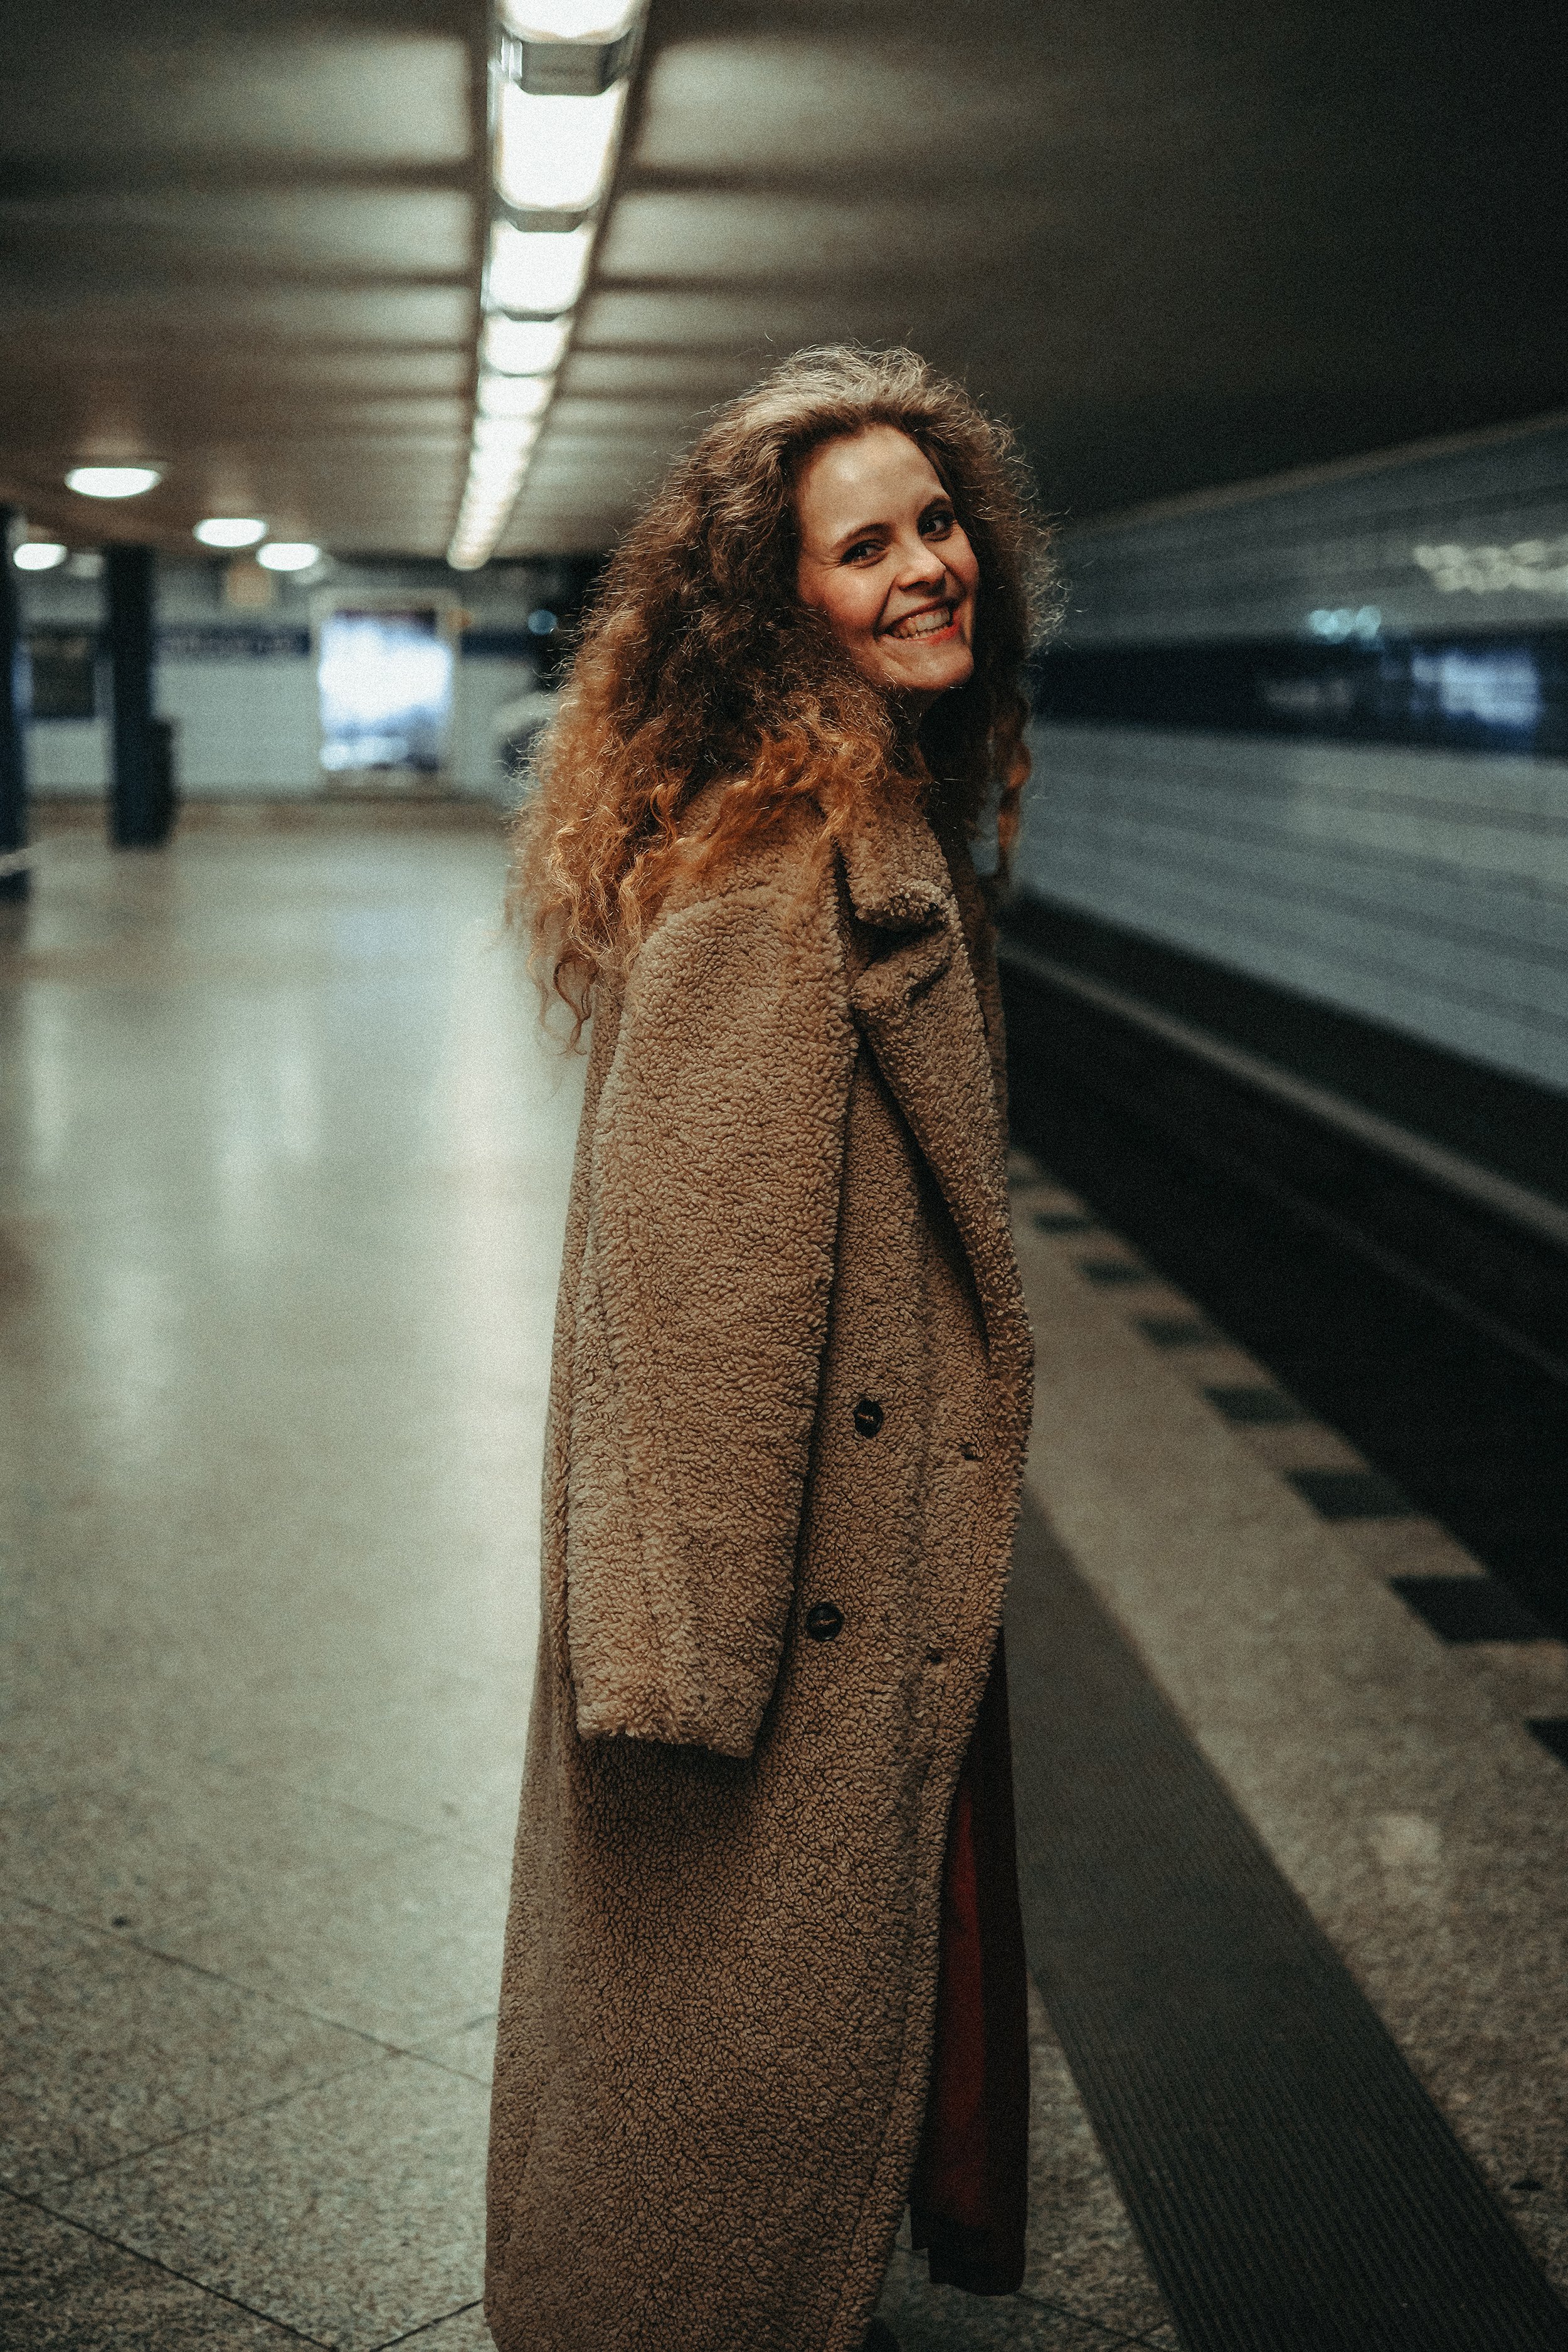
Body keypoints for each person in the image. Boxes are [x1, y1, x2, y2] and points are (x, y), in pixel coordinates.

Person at [487, 345, 1053, 2352]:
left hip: (857, 1570)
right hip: (775, 1619)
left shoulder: (866, 835)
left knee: (816, 2042)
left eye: (937, 522)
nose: (928, 567)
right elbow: (694, 1310)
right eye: (863, 545)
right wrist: (682, 1669)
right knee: (730, 2090)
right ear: (770, 606)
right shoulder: (769, 886)